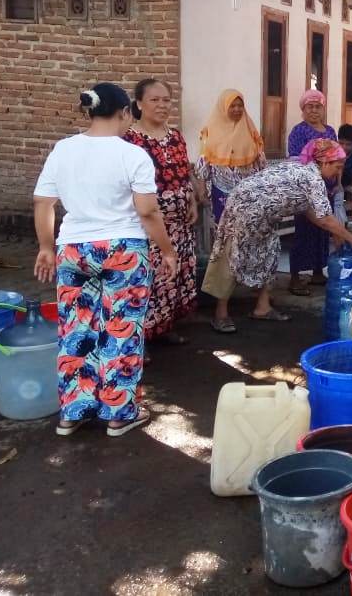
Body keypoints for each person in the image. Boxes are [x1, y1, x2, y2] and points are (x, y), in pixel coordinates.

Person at [33, 83, 176, 437]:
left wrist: (46, 247)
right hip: (123, 250)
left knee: (76, 329)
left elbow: (43, 203)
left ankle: (73, 412)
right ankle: (118, 413)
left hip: (73, 249)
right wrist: (167, 250)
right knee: (120, 329)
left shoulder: (63, 149)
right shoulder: (132, 155)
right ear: (126, 112)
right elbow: (147, 210)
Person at [203, 139, 352, 333]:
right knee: (233, 255)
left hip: (263, 214)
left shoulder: (304, 167)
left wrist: (337, 234)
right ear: (324, 162)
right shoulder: (312, 177)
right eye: (337, 167)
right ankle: (220, 314)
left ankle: (262, 308)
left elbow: (311, 211)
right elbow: (324, 219)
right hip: (244, 207)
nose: (338, 172)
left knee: (271, 249)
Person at [124, 78, 199, 348]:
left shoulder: (175, 136)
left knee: (173, 276)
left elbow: (183, 174)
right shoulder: (129, 140)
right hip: (149, 223)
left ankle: (164, 327)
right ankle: (138, 341)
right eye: (155, 100)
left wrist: (191, 201)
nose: (162, 105)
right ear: (139, 103)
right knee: (147, 279)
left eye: (166, 100)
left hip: (180, 223)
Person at [287, 89, 340, 296]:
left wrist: (337, 184)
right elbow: (295, 159)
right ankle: (294, 277)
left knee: (322, 232)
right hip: (305, 190)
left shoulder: (330, 131)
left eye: (318, 107)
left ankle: (318, 272)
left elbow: (337, 157)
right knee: (303, 232)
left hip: (327, 188)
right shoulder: (298, 131)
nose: (314, 111)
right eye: (310, 107)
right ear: (303, 109)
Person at [197, 89, 265, 225]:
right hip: (221, 191)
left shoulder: (250, 130)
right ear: (223, 107)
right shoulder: (210, 131)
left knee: (246, 228)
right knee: (223, 229)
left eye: (240, 106)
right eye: (232, 106)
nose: (237, 109)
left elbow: (260, 162)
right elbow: (204, 161)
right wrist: (202, 188)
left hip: (247, 192)